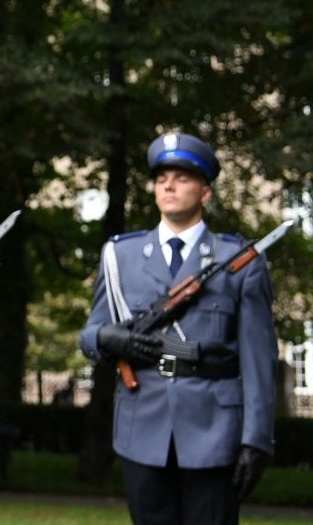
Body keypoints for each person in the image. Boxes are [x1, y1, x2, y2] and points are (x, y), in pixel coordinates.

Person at [78, 132, 276, 525]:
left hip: (215, 431)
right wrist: (106, 337)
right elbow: (90, 333)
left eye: (182, 177)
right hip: (143, 428)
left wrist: (257, 440)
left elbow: (259, 360)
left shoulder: (239, 260)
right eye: (161, 177)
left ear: (205, 192)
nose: (168, 184)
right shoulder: (122, 255)